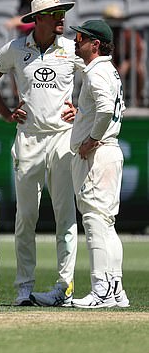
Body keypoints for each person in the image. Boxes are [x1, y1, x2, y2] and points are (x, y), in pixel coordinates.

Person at [0, 0, 82, 307]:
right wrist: (5, 112)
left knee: (65, 217)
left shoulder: (72, 49)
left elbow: (98, 83)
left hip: (63, 139)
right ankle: (25, 288)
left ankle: (64, 286)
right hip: (28, 139)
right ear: (38, 19)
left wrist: (81, 110)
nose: (62, 18)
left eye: (63, 12)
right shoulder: (14, 49)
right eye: (55, 14)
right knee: (26, 217)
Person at [68, 19, 129, 308]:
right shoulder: (109, 71)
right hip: (109, 151)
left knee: (94, 219)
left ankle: (101, 289)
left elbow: (105, 110)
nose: (76, 41)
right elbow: (105, 108)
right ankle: (115, 288)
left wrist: (91, 139)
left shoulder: (97, 73)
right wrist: (82, 114)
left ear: (96, 44)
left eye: (81, 38)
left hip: (98, 153)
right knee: (106, 222)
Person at [103, 4, 146, 107]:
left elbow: (138, 53)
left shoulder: (129, 35)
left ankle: (137, 102)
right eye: (112, 20)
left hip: (128, 69)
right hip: (106, 66)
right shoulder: (103, 36)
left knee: (139, 69)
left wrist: (128, 63)